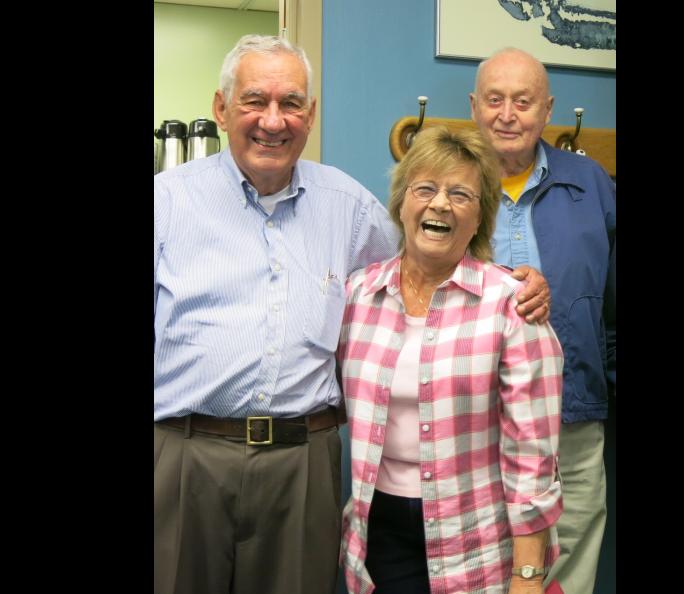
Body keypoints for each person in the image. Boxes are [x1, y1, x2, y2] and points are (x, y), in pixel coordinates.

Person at [154, 35, 550, 594]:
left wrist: (515, 280)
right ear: (221, 109)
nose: (273, 120)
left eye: (291, 103)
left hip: (302, 466)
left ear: (310, 115)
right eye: (254, 101)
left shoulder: (349, 206)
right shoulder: (165, 203)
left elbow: (429, 254)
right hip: (184, 456)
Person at [338, 126, 565, 594]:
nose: (440, 204)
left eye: (460, 194)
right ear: (402, 203)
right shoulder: (358, 296)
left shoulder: (512, 305)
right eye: (425, 189)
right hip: (378, 536)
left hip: (477, 544)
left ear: (480, 216)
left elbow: (533, 459)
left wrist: (527, 577)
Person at [470, 47, 616, 594]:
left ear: (547, 110)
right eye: (495, 99)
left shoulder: (593, 183)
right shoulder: (447, 186)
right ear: (474, 107)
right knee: (483, 562)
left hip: (573, 422)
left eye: (523, 101)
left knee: (571, 562)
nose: (508, 114)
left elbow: (613, 305)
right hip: (473, 423)